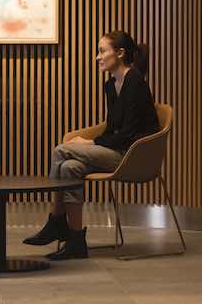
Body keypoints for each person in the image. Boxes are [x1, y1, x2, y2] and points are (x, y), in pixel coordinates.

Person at [25, 30, 159, 260]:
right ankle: (76, 239)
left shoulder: (135, 82)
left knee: (60, 150)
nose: (97, 57)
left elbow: (128, 133)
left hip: (132, 154)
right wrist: (95, 141)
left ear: (119, 53)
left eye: (102, 51)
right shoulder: (110, 86)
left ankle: (56, 220)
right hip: (115, 150)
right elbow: (111, 128)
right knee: (69, 168)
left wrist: (90, 142)